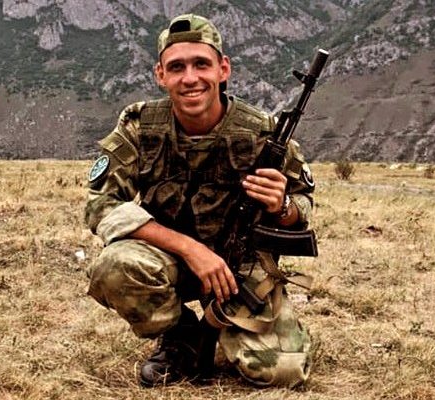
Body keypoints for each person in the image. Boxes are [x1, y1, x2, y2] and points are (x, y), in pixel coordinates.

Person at [84, 13, 315, 388]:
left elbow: (303, 206)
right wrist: (191, 250)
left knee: (282, 373)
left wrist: (282, 206)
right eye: (177, 67)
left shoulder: (263, 134)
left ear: (223, 69)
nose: (190, 78)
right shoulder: (139, 126)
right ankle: (181, 337)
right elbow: (101, 205)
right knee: (115, 265)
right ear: (160, 75)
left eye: (201, 64)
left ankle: (236, 328)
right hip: (169, 260)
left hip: (241, 269)